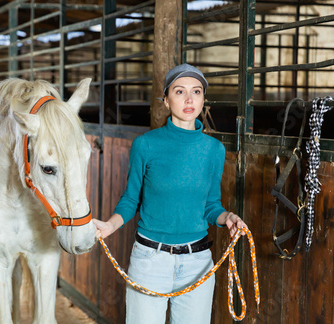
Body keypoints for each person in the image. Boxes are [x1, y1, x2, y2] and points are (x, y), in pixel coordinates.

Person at [93, 64, 248, 324]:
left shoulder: (214, 150)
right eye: (179, 91)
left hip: (197, 263)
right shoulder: (145, 145)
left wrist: (228, 217)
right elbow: (132, 199)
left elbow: (211, 206)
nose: (189, 99)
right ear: (166, 99)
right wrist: (110, 224)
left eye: (196, 91)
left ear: (203, 99)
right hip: (150, 260)